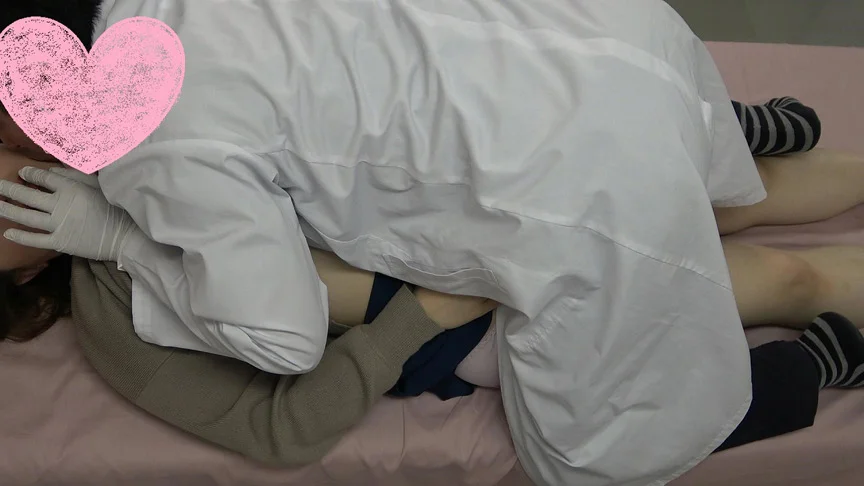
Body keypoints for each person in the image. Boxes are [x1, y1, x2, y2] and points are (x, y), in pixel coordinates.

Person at [0, 1, 850, 484]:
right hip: (461, 285)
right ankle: (793, 351)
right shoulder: (111, 314)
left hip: (524, 190)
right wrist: (421, 320)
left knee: (596, 435)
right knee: (770, 281)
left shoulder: (140, 144)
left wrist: (122, 225)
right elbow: (277, 424)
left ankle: (709, 135)